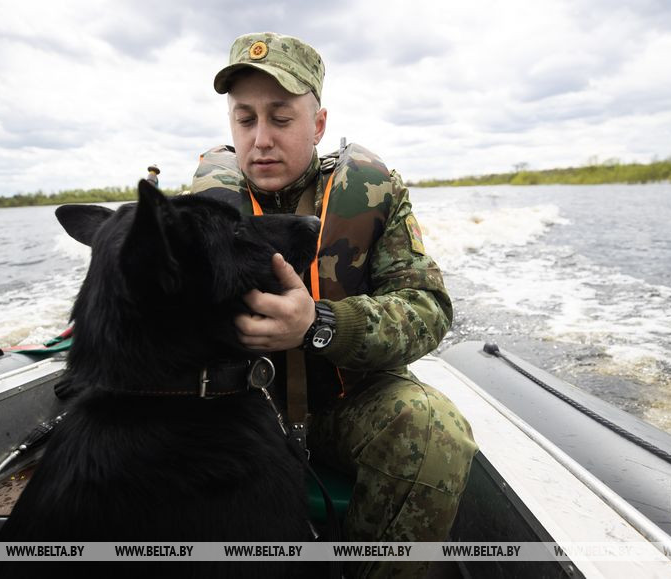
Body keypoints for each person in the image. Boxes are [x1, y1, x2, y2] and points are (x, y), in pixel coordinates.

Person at [191, 32, 478, 578]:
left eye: (281, 118)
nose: (261, 140)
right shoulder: (202, 207)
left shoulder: (374, 193)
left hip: (347, 407)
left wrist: (319, 324)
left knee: (434, 428)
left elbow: (428, 307)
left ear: (317, 124)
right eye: (245, 119)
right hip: (241, 408)